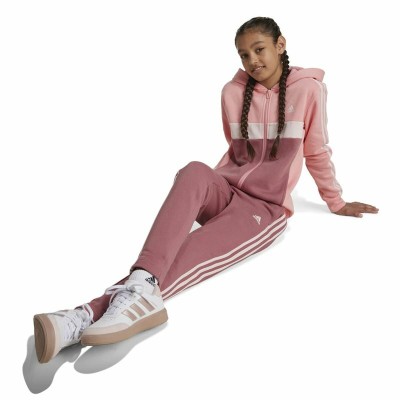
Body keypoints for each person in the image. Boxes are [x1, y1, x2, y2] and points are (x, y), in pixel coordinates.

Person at [33, 16, 379, 363]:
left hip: (263, 209)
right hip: (223, 190)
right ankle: (136, 294)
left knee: (182, 254)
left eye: (259, 49)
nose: (252, 60)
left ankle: (82, 317)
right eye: (244, 55)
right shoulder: (232, 92)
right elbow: (236, 153)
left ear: (280, 45)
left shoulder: (309, 91)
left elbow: (316, 151)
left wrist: (335, 202)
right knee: (195, 170)